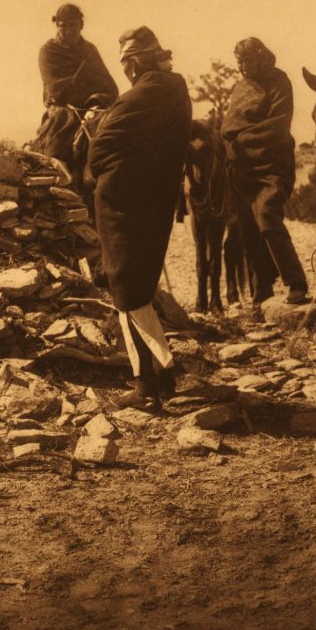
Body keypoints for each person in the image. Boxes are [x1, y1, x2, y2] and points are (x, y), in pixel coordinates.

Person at [89, 26, 192, 411]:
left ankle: (146, 386)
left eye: (128, 63)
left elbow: (104, 143)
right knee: (136, 288)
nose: (127, 71)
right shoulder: (173, 90)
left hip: (125, 205)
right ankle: (162, 374)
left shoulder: (147, 92)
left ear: (138, 61)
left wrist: (98, 168)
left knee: (125, 289)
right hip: (155, 202)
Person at [220, 36, 310, 305]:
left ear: (262, 58)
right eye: (240, 62)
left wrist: (239, 139)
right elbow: (227, 126)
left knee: (267, 215)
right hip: (240, 169)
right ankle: (263, 289)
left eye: (249, 61)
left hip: (272, 165)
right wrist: (230, 143)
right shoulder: (240, 87)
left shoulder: (279, 81)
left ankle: (296, 282)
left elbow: (278, 126)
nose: (245, 67)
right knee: (248, 230)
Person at [31, 3, 119, 163]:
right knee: (55, 149)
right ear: (56, 26)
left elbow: (109, 85)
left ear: (81, 26)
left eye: (74, 25)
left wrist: (95, 100)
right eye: (63, 26)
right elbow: (54, 88)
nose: (69, 30)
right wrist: (84, 81)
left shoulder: (89, 50)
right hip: (63, 108)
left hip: (94, 105)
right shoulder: (48, 51)